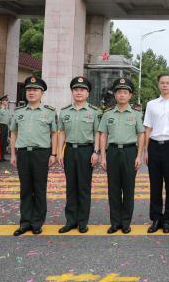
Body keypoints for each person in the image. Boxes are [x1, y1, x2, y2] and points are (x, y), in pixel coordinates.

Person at [10, 76, 58, 236]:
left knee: (39, 188)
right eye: (29, 90)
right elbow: (14, 133)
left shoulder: (49, 112)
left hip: (41, 154)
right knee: (25, 189)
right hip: (23, 153)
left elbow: (54, 134)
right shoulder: (18, 112)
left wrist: (53, 153)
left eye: (35, 90)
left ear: (42, 92)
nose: (31, 92)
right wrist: (13, 155)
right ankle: (25, 222)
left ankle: (37, 222)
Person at [98, 77, 144, 234]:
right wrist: (103, 157)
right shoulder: (107, 114)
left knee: (128, 188)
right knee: (114, 189)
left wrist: (139, 156)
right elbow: (103, 135)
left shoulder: (136, 114)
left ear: (130, 95)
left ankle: (126, 222)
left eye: (125, 92)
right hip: (112, 153)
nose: (122, 95)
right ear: (115, 95)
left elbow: (141, 135)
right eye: (119, 92)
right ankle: (115, 222)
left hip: (130, 152)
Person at [57, 76, 101, 234]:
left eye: (82, 90)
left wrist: (96, 152)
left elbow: (97, 133)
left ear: (87, 93)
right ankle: (70, 221)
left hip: (86, 151)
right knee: (71, 187)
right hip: (69, 151)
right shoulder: (64, 112)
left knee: (83, 187)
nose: (78, 92)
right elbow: (61, 132)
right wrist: (59, 152)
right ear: (72, 92)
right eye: (76, 89)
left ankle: (82, 222)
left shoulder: (94, 112)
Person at [143, 73, 169, 234]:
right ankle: (155, 219)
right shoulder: (151, 104)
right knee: (155, 185)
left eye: (168, 83)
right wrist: (146, 150)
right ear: (158, 85)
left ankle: (168, 220)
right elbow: (148, 128)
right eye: (162, 83)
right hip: (154, 146)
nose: (165, 85)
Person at [0, 95, 11, 160]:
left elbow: (9, 119)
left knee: (4, 142)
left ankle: (2, 156)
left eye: (7, 101)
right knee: (0, 142)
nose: (7, 102)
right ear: (2, 102)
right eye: (5, 100)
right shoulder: (0, 110)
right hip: (1, 126)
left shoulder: (7, 110)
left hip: (6, 126)